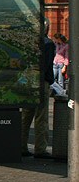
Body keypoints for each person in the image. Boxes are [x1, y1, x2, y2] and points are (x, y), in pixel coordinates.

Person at [22, 22, 57, 158]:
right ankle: (40, 149)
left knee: (26, 116)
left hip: (29, 81)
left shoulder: (29, 41)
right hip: (41, 82)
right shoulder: (48, 43)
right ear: (46, 28)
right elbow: (46, 64)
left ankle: (21, 146)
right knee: (41, 117)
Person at [52, 34, 69, 99]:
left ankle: (60, 95)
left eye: (55, 39)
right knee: (52, 79)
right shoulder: (56, 45)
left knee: (60, 80)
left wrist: (65, 66)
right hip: (55, 62)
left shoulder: (66, 46)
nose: (55, 40)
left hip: (61, 63)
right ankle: (61, 91)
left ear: (58, 39)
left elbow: (66, 56)